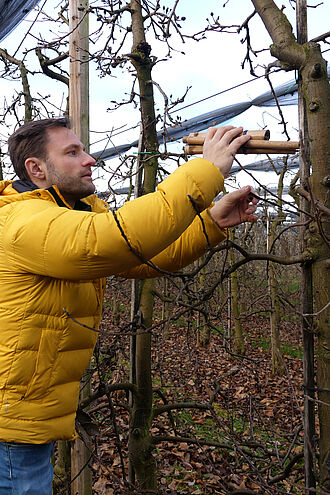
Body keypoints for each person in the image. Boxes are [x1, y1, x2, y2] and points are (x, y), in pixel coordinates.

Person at [0, 117, 258, 494]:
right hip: (11, 425)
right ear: (36, 169)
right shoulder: (21, 220)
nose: (89, 160)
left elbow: (142, 257)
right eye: (72, 152)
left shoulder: (75, 213)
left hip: (28, 415)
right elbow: (110, 240)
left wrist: (211, 221)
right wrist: (204, 171)